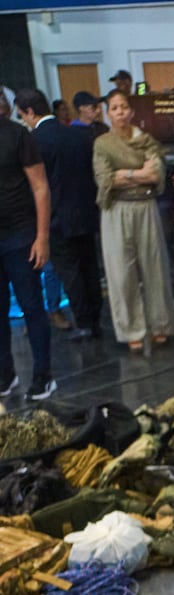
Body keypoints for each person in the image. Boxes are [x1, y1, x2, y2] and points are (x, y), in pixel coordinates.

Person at [14, 88, 102, 342]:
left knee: (70, 272)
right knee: (90, 267)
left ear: (30, 112)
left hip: (56, 217)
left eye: (22, 115)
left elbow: (36, 184)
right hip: (86, 211)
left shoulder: (33, 141)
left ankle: (83, 322)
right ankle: (96, 319)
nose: (23, 120)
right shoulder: (78, 135)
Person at [92, 90, 174, 353]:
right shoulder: (102, 144)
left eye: (123, 107)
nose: (120, 112)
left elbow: (156, 174)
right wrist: (138, 173)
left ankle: (160, 324)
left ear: (131, 111)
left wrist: (124, 174)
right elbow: (105, 179)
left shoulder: (147, 140)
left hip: (145, 206)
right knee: (121, 272)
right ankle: (131, 330)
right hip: (116, 210)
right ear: (108, 113)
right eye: (114, 108)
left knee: (155, 266)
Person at [0, 108, 55, 400]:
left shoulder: (17, 135)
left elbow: (40, 186)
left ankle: (43, 375)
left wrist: (42, 236)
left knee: (32, 307)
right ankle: (4, 374)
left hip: (20, 235)